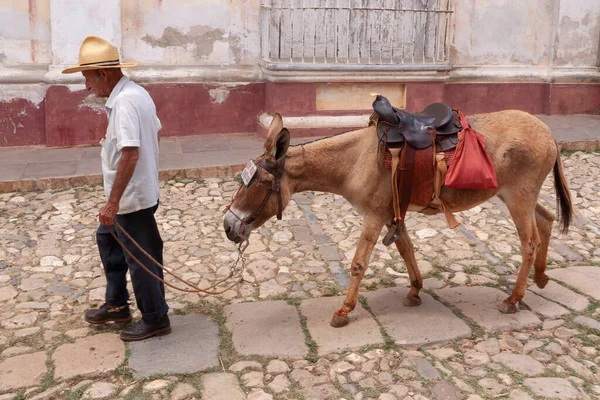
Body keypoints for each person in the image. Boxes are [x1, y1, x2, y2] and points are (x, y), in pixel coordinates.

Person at [62, 35, 170, 341]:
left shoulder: (124, 102)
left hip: (131, 200)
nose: (87, 87)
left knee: (142, 259)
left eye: (88, 78)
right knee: (108, 239)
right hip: (137, 192)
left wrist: (112, 203)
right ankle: (116, 304)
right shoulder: (135, 93)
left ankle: (155, 318)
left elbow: (131, 152)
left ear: (104, 73)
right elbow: (153, 137)